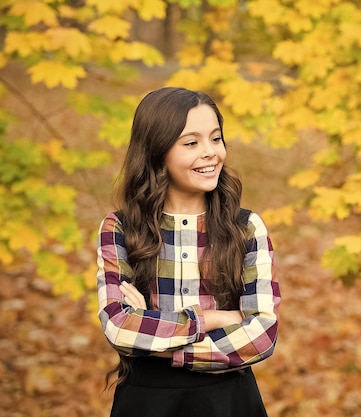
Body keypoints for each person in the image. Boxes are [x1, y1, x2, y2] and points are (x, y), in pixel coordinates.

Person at [95, 87, 280, 417]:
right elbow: (120, 328)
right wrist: (215, 319)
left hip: (228, 402)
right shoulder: (120, 229)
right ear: (157, 152)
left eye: (216, 138)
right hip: (145, 403)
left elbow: (262, 335)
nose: (210, 152)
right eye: (191, 143)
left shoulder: (247, 228)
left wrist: (154, 334)